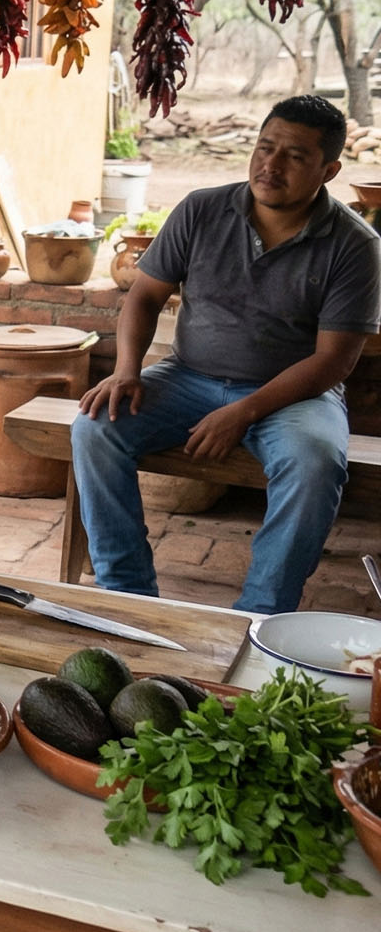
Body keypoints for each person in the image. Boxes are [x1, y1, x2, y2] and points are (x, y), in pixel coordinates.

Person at [73, 95, 380, 614]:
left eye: (295, 156)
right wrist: (127, 370)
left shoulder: (354, 245)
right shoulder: (202, 209)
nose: (271, 165)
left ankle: (259, 616)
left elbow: (334, 362)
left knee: (315, 463)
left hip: (297, 396)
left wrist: (243, 411)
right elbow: (143, 296)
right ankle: (128, 596)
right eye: (265, 147)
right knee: (95, 428)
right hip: (187, 376)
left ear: (329, 170)